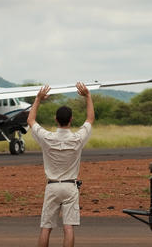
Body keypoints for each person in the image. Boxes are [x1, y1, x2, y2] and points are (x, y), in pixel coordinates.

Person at [27, 82, 94, 247]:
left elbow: (30, 120)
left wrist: (38, 99)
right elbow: (90, 119)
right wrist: (88, 96)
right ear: (71, 120)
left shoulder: (47, 138)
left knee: (46, 227)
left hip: (52, 186)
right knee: (68, 226)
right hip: (70, 187)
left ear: (56, 119)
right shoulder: (77, 139)